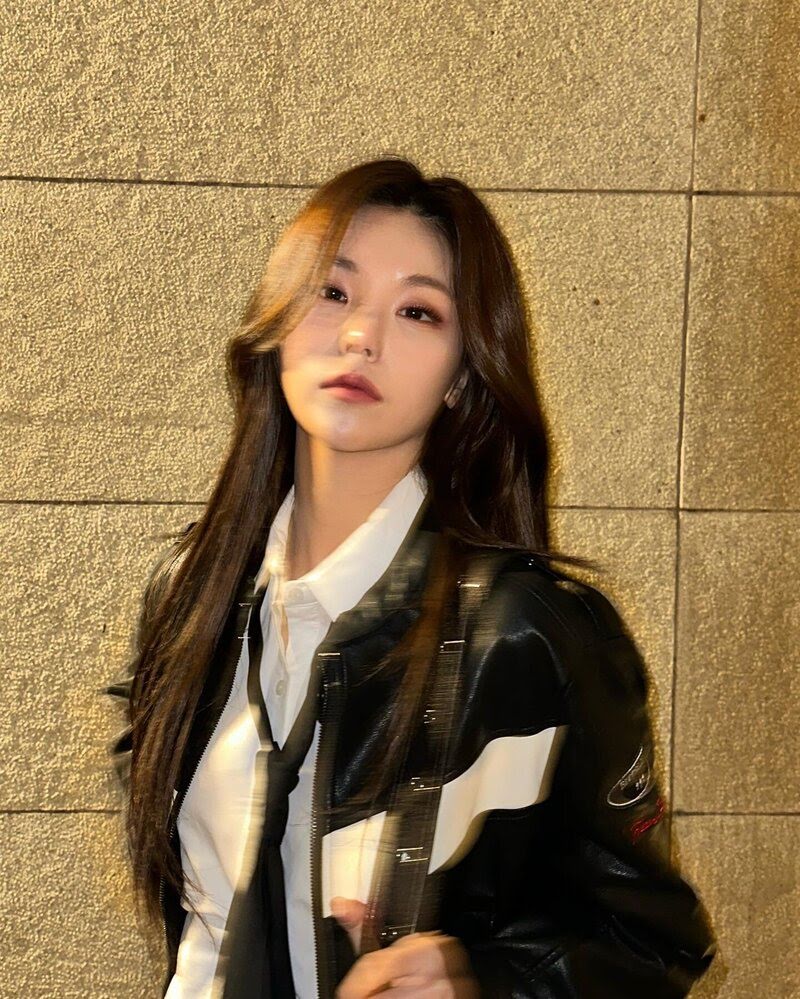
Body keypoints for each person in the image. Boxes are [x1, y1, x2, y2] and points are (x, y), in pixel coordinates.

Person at [103, 156, 717, 998]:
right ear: (278, 324)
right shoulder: (190, 596)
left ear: (463, 374)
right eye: (333, 291)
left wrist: (477, 981)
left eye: (418, 310)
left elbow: (652, 941)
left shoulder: (528, 633)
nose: (362, 335)